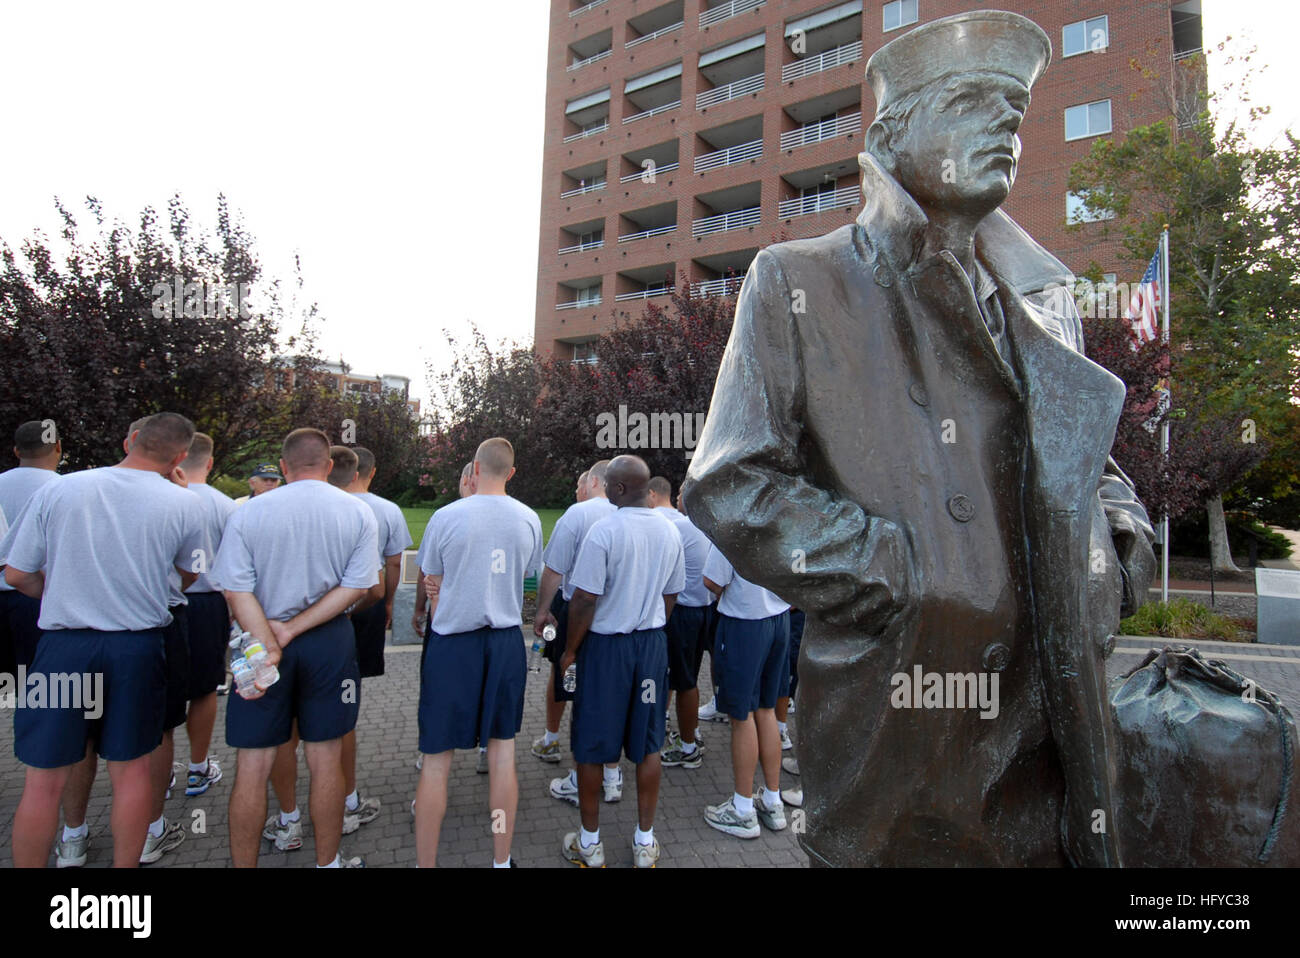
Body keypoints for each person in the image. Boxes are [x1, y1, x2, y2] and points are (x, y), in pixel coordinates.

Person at [680, 10, 1156, 867]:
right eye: (974, 100)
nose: (1007, 122)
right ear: (893, 133)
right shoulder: (799, 282)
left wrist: (1116, 547)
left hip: (1051, 738)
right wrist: (900, 573)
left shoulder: (1045, 303)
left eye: (1014, 108)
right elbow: (730, 480)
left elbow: (1098, 466)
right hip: (895, 740)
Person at [5, 412, 207, 868]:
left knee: (41, 782)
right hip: (136, 649)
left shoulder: (59, 488)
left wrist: (61, 594)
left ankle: (64, 847)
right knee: (132, 772)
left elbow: (16, 574)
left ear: (129, 440)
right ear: (179, 457)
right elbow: (189, 575)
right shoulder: (186, 504)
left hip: (62, 647)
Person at [211, 428, 379, 868]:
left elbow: (234, 587)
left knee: (252, 765)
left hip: (260, 640)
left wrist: (271, 638)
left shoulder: (248, 513)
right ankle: (328, 863)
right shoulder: (357, 512)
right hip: (328, 643)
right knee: (325, 758)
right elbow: (359, 585)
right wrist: (293, 629)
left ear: (284, 468)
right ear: (328, 466)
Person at [414, 437, 542, 867]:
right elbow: (527, 580)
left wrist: (448, 589)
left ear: (473, 468)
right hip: (505, 643)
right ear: (511, 472)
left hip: (453, 644)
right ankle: (501, 860)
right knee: (502, 752)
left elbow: (431, 578)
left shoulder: (446, 516)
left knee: (436, 761)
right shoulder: (528, 519)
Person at [558, 455, 684, 868]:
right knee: (649, 745)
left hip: (607, 649)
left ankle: (591, 844)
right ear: (646, 489)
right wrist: (649, 623)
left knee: (592, 745)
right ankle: (645, 841)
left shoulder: (604, 531)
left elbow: (584, 599)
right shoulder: (669, 532)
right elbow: (671, 595)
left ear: (614, 489)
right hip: (650, 647)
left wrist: (571, 650)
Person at [531, 462, 624, 806]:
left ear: (595, 482)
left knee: (565, 676)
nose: (575, 491)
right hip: (617, 618)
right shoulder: (629, 513)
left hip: (575, 611)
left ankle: (559, 748)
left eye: (580, 484)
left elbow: (554, 569)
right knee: (608, 692)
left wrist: (542, 612)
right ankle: (612, 774)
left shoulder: (578, 513)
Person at [339, 444, 413, 823]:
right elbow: (394, 561)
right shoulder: (384, 509)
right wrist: (388, 603)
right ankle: (345, 793)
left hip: (315, 614)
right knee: (347, 691)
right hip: (363, 604)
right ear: (370, 471)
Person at [699, 544, 791, 839]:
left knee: (742, 716)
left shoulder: (734, 526)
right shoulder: (783, 518)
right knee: (766, 709)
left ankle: (742, 808)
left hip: (745, 623)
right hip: (778, 619)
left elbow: (712, 580)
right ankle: (773, 800)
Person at [177, 433, 238, 798]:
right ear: (210, 462)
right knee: (203, 691)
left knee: (160, 690)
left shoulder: (159, 499)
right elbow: (234, 568)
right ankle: (197, 768)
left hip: (161, 603)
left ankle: (163, 769)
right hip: (208, 603)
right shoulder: (225, 506)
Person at [646, 477, 712, 769]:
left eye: (683, 492)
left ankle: (687, 748)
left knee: (683, 681)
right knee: (685, 678)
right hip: (703, 611)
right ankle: (690, 732)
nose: (678, 498)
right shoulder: (708, 528)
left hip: (683, 613)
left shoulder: (681, 527)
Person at [0, 420, 63, 679]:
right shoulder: (65, 489)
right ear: (58, 447)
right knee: (41, 684)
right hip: (40, 597)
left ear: (17, 451)